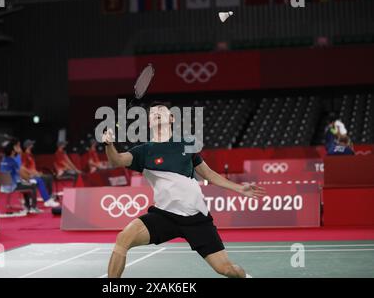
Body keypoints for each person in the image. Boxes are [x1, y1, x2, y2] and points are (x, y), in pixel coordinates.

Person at [101, 101, 266, 278]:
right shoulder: (143, 151)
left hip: (195, 217)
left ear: (171, 118)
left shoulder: (186, 144)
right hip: (165, 215)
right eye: (152, 112)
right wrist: (109, 145)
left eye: (161, 110)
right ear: (148, 122)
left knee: (227, 270)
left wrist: (240, 189)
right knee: (124, 238)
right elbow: (116, 160)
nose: (156, 112)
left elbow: (208, 174)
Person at [0, 140, 42, 214]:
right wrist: (28, 179)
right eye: (16, 147)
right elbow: (21, 174)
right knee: (33, 186)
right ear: (12, 150)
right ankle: (33, 208)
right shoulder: (13, 161)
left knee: (25, 186)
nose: (18, 148)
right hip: (12, 186)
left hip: (4, 185)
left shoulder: (4, 159)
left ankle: (27, 206)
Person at [21, 139, 60, 207]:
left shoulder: (30, 155)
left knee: (49, 177)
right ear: (28, 146)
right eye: (31, 144)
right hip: (29, 176)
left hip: (34, 174)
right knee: (43, 179)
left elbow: (32, 167)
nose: (33, 145)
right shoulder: (24, 155)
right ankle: (47, 199)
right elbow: (23, 168)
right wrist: (34, 173)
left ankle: (49, 196)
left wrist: (37, 172)